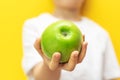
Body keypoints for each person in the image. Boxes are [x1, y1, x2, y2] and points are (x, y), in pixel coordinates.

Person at [22, 0, 120, 80]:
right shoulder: (34, 25)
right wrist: (50, 65)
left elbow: (110, 76)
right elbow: (39, 77)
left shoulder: (100, 34)